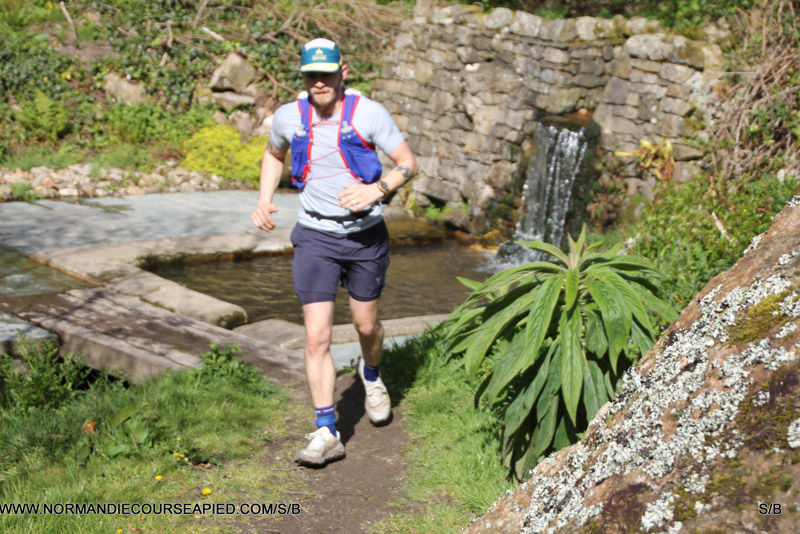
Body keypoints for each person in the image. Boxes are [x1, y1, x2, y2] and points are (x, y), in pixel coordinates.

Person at [251, 38, 418, 467]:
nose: (319, 83)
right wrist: (265, 198)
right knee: (316, 335)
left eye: (326, 74)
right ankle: (327, 430)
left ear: (343, 72)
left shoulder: (369, 114)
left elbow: (407, 162)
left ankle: (372, 375)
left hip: (365, 238)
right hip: (315, 237)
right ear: (303, 76)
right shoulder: (289, 116)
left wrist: (376, 189)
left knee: (366, 325)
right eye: (312, 75)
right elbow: (273, 154)